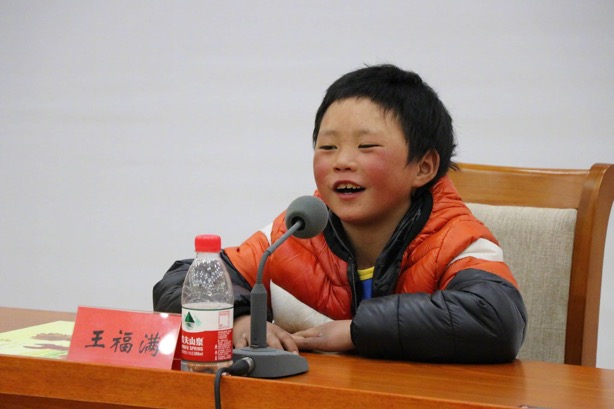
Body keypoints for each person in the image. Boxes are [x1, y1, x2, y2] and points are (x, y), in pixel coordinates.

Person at [153, 64, 527, 363]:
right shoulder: (298, 230)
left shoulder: (454, 236)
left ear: (424, 167)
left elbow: (497, 319)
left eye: (367, 146)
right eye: (328, 146)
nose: (342, 162)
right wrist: (239, 318)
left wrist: (354, 331)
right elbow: (182, 281)